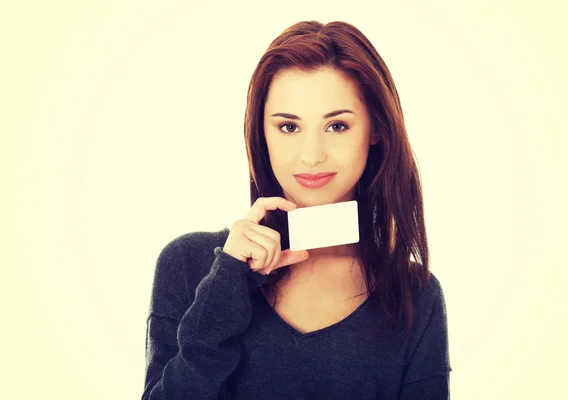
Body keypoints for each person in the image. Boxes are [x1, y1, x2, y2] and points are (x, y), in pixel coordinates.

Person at [142, 20, 451, 399]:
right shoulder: (189, 265)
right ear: (262, 133)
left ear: (376, 130)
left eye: (337, 126)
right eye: (289, 127)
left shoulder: (415, 295)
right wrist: (226, 285)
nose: (311, 155)